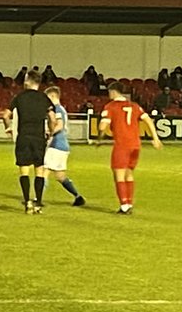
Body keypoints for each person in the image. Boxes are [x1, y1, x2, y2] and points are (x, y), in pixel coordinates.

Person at [98, 80, 162, 215]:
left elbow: (102, 126)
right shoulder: (134, 106)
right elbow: (148, 119)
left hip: (122, 145)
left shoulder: (111, 107)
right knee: (129, 173)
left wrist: (101, 134)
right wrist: (155, 138)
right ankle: (129, 202)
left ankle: (124, 205)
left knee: (119, 174)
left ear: (113, 92)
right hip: (135, 145)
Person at [1, 69, 50, 214]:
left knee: (24, 170)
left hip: (23, 137)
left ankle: (27, 202)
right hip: (39, 137)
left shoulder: (19, 97)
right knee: (39, 169)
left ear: (27, 81)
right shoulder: (44, 98)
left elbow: (5, 115)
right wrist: (51, 132)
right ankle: (39, 203)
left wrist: (8, 128)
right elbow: (53, 117)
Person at [42, 85, 85, 207]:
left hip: (56, 145)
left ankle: (37, 199)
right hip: (63, 146)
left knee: (44, 171)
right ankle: (78, 197)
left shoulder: (57, 109)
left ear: (52, 96)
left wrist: (49, 133)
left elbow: (59, 125)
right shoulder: (62, 109)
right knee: (60, 176)